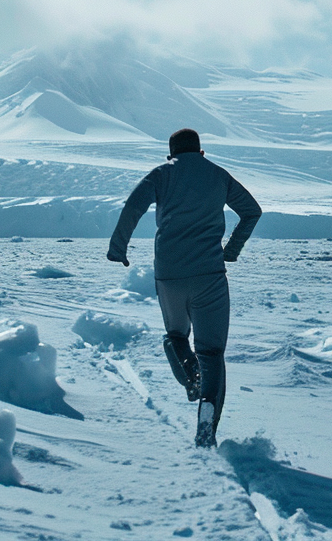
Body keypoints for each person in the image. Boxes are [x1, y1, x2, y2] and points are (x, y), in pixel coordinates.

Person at [107, 128, 262, 447]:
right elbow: (251, 211)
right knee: (212, 351)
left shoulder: (161, 174)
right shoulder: (218, 175)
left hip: (170, 274)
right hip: (209, 274)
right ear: (201, 152)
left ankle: (190, 376)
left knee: (176, 335)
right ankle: (207, 413)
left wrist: (118, 249)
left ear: (171, 154)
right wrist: (230, 251)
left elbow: (132, 208)